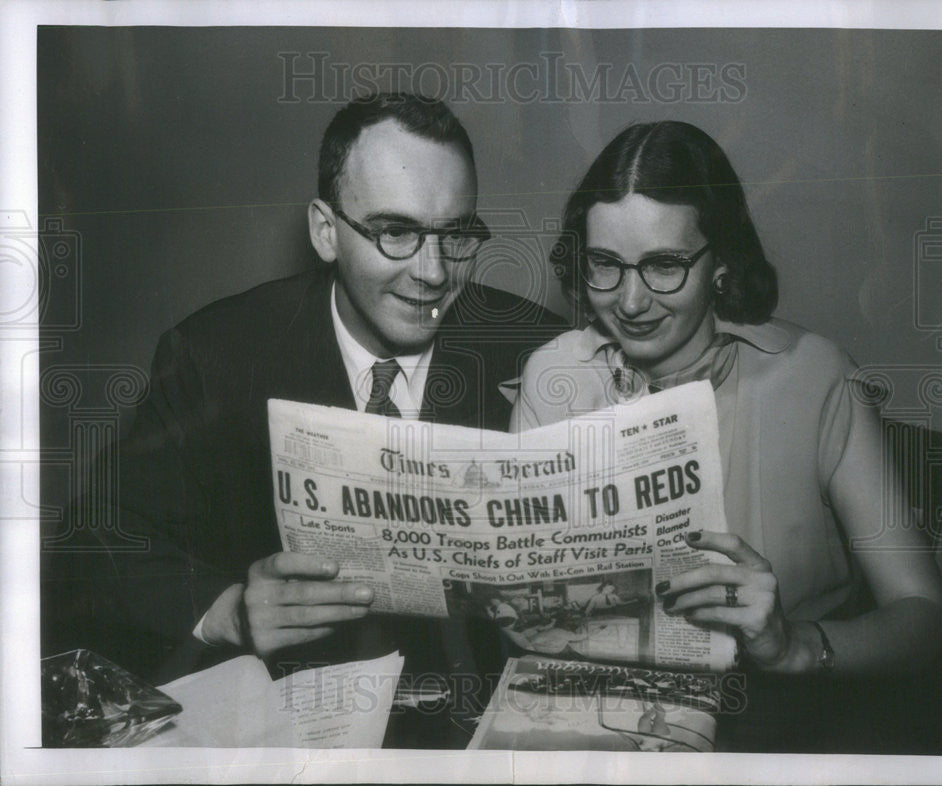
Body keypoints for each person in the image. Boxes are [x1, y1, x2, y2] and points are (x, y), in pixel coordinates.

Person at [43, 93, 564, 742]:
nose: (432, 273)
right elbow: (92, 545)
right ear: (325, 231)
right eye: (395, 232)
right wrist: (229, 609)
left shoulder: (544, 354)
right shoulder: (216, 355)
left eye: (456, 234)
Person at [511, 121, 942, 684]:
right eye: (605, 263)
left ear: (720, 261)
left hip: (785, 718)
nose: (629, 301)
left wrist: (794, 646)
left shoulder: (818, 376)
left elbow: (925, 615)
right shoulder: (553, 375)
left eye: (665, 265)